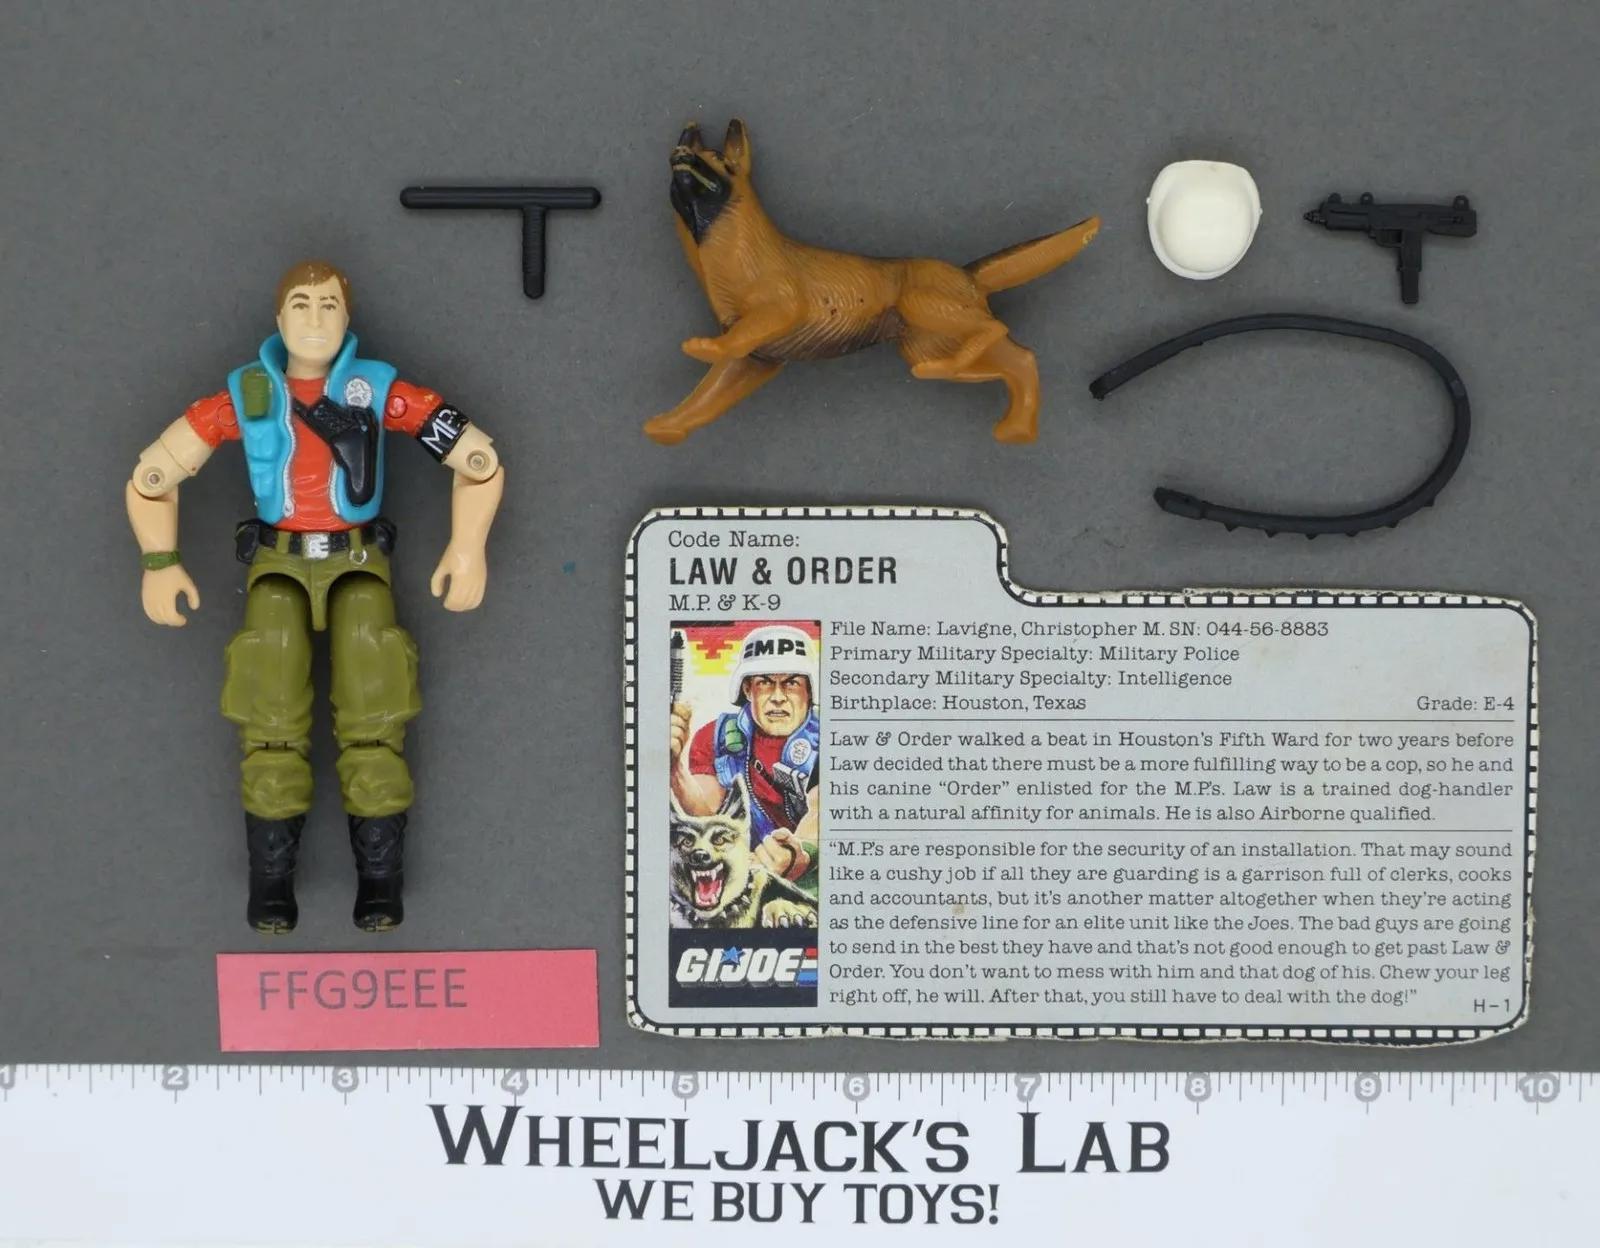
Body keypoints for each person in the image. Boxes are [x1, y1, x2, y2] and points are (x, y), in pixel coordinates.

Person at [125, 260, 505, 933]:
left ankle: (380, 880)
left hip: (358, 560)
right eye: (300, 304)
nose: (314, 317)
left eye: (328, 305)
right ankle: (271, 883)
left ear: (347, 318)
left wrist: (468, 545)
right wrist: (159, 561)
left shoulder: (378, 391)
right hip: (278, 563)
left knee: (375, 704)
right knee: (268, 708)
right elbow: (152, 475)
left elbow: (478, 461)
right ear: (279, 318)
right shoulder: (247, 393)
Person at [669, 625, 820, 886]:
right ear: (748, 690)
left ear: (809, 692)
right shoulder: (717, 737)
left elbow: (822, 811)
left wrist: (798, 853)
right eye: (765, 683)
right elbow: (708, 814)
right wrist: (674, 769)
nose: (778, 697)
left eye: (791, 683)